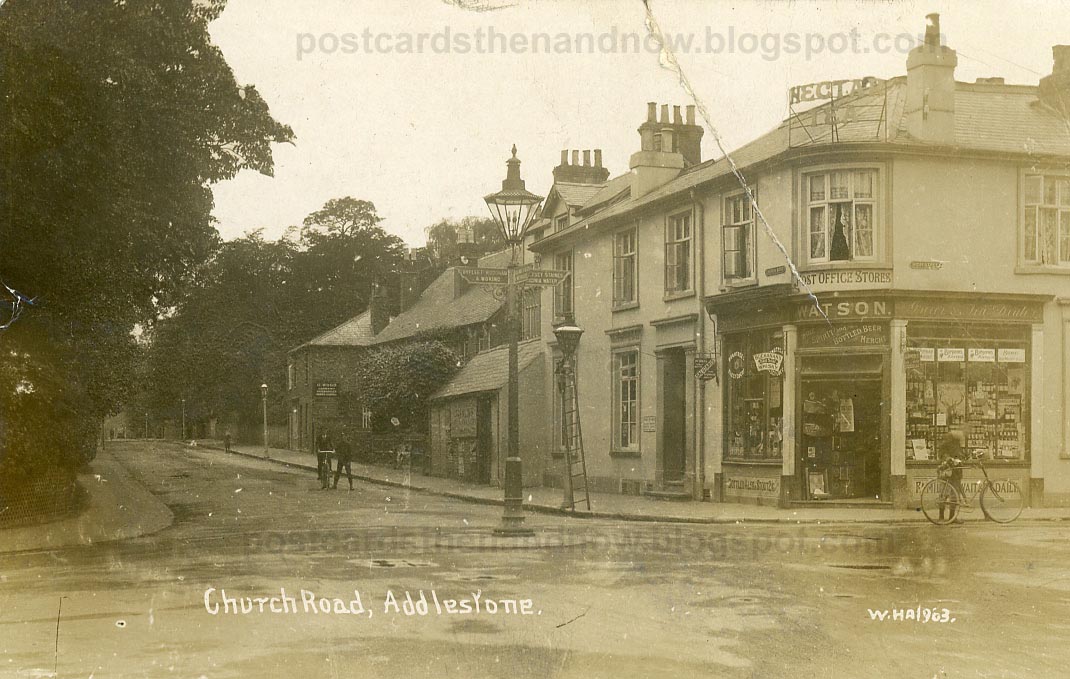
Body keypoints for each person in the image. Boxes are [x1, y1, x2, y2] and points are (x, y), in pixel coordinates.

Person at [936, 429, 966, 523]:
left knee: (954, 496)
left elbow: (959, 455)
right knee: (944, 494)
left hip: (956, 472)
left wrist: (963, 457)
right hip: (947, 471)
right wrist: (948, 459)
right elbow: (942, 454)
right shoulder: (946, 443)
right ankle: (941, 516)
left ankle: (952, 517)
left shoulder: (957, 444)